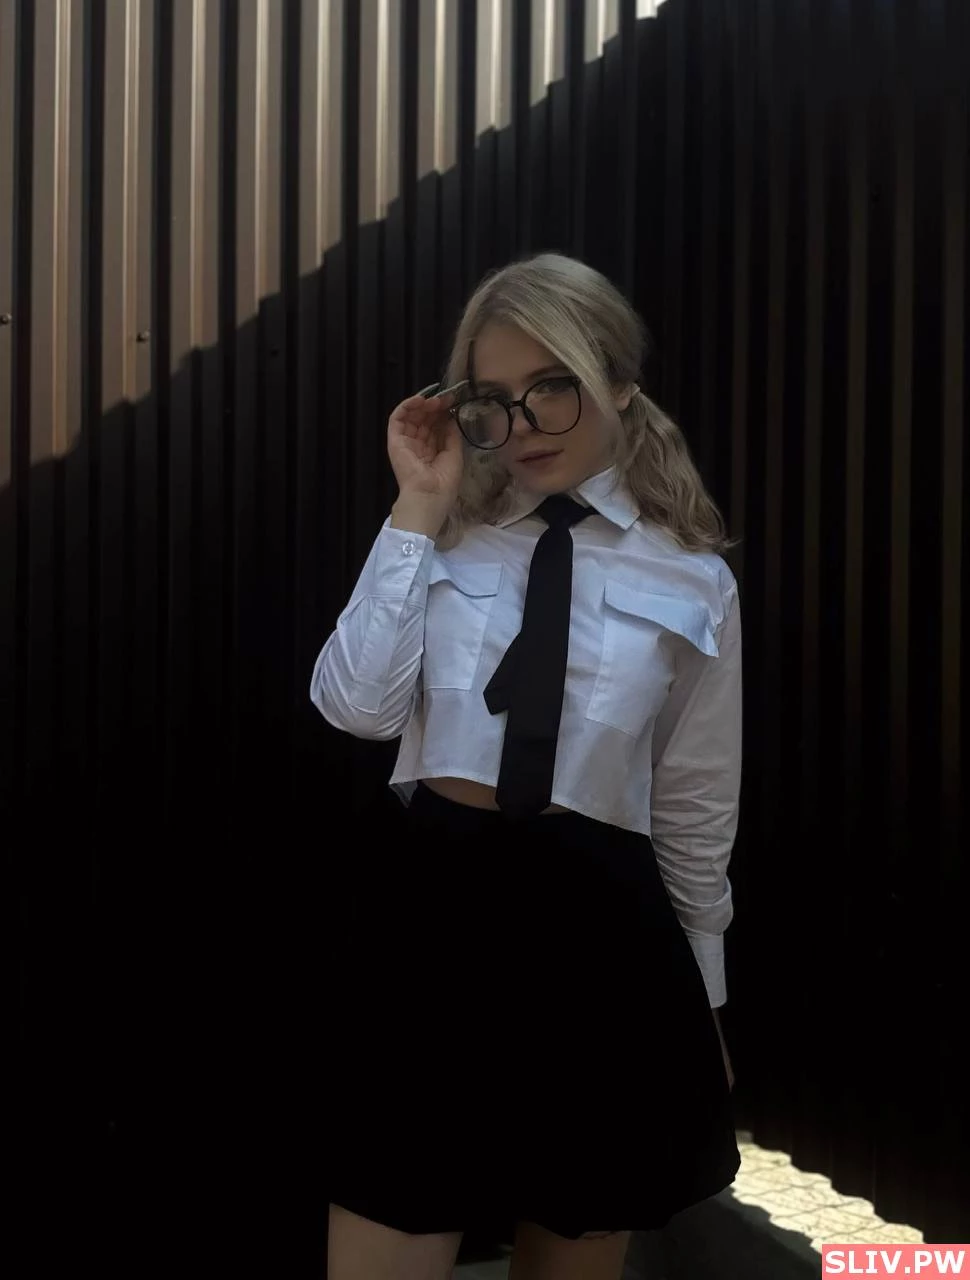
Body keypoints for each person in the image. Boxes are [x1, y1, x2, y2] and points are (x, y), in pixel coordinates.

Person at [311, 252, 742, 1280]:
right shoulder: (444, 535)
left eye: (553, 384)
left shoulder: (691, 575)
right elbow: (357, 708)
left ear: (618, 382)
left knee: (576, 1243)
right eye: (496, 399)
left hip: (602, 936)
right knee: (388, 1218)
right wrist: (416, 505)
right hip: (434, 917)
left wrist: (706, 999)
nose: (525, 422)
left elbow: (693, 803)